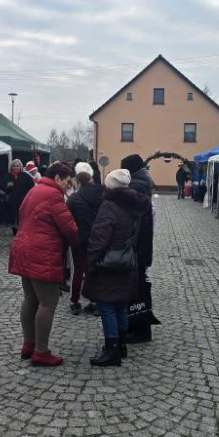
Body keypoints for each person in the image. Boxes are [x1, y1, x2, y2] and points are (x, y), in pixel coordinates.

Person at [9, 163, 79, 367]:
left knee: (30, 299)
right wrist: (78, 242)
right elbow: (69, 228)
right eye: (67, 181)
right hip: (41, 253)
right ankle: (41, 351)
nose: (67, 186)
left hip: (23, 248)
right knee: (48, 302)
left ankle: (28, 345)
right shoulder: (53, 195)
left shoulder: (35, 190)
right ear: (58, 177)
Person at [83, 169, 148, 366]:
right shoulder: (135, 204)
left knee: (107, 306)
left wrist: (90, 262)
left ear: (110, 186)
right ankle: (121, 345)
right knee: (120, 304)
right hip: (128, 261)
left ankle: (112, 351)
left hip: (108, 264)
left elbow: (98, 239)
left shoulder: (109, 206)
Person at [120, 154, 158, 343]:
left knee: (138, 289)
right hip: (141, 244)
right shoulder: (142, 181)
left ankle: (141, 330)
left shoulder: (136, 186)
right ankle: (137, 326)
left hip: (138, 246)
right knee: (138, 287)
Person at [66, 163, 103, 315]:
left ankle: (75, 301)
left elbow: (67, 220)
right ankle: (94, 301)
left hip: (79, 239)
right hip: (96, 238)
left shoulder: (74, 199)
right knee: (93, 269)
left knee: (77, 270)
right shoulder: (101, 195)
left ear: (79, 183)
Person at [0, 159, 35, 235]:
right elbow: (2, 186)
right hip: (11, 201)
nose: (16, 167)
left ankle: (22, 231)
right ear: (11, 167)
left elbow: (31, 187)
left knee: (22, 216)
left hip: (23, 200)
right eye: (14, 166)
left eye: (18, 166)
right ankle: (15, 232)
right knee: (13, 217)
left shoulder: (25, 176)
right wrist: (7, 186)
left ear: (21, 167)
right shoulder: (8, 176)